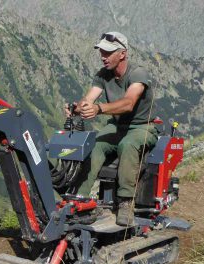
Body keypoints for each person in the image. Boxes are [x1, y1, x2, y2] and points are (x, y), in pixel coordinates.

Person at [67, 31, 158, 227]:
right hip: (116, 125)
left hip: (142, 127)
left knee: (128, 144)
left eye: (108, 53)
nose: (103, 56)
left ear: (122, 54)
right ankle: (80, 198)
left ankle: (125, 202)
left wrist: (98, 109)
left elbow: (128, 103)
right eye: (102, 52)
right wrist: (78, 108)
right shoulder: (103, 75)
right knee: (96, 145)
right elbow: (89, 98)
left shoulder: (137, 73)